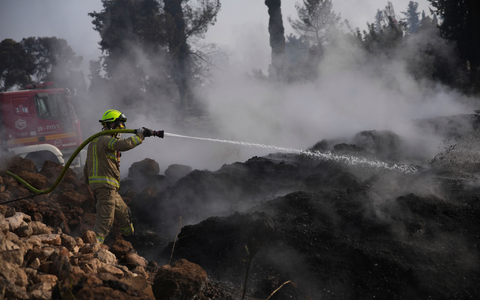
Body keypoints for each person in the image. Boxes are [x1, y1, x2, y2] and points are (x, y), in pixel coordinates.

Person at [83, 109, 153, 244]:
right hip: (105, 186)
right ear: (111, 124)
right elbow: (121, 145)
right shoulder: (105, 139)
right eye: (120, 124)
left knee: (124, 213)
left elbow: (87, 166)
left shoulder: (95, 142)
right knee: (105, 221)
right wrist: (140, 136)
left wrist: (89, 183)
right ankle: (92, 249)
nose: (122, 127)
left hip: (108, 187)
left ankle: (131, 240)